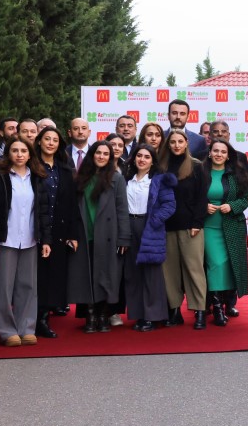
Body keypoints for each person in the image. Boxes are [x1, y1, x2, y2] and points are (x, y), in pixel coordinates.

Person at [0, 137, 52, 346]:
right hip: (5, 240)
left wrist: (46, 240)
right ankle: (7, 331)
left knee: (28, 286)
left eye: (23, 150)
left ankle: (26, 328)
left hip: (30, 240)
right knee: (4, 288)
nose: (19, 154)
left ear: (30, 154)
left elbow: (43, 212)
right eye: (15, 150)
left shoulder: (37, 177)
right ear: (8, 153)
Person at [67, 141, 131, 333]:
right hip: (84, 234)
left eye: (106, 154)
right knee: (86, 276)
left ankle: (103, 314)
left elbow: (122, 209)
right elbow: (71, 209)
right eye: (98, 153)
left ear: (110, 158)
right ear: (92, 154)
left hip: (108, 234)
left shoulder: (117, 179)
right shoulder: (80, 178)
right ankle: (90, 314)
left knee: (106, 276)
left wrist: (124, 238)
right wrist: (70, 234)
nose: (101, 156)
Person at [33, 126, 81, 339]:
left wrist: (72, 233)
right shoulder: (31, 166)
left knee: (53, 276)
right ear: (39, 141)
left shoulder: (65, 170)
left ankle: (43, 318)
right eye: (47, 139)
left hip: (59, 230)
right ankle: (32, 317)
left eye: (55, 140)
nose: (51, 143)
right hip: (35, 230)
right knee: (36, 276)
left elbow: (72, 204)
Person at [162, 128, 210, 329]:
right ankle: (174, 311)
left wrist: (197, 223)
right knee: (170, 272)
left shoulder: (197, 166)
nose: (176, 145)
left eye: (180, 141)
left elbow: (202, 197)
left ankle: (199, 311)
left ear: (186, 143)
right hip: (166, 227)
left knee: (194, 270)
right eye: (172, 142)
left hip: (191, 227)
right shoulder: (162, 167)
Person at [124, 145, 175, 331]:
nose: (142, 159)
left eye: (147, 157)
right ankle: (139, 315)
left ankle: (153, 316)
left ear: (153, 161)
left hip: (150, 227)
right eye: (139, 155)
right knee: (133, 273)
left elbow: (169, 205)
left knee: (152, 273)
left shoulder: (159, 180)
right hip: (129, 226)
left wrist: (154, 220)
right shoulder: (127, 179)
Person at [203, 138, 248, 325]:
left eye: (223, 152)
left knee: (230, 265)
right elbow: (191, 197)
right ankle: (216, 307)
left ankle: (227, 303)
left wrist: (232, 206)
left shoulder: (237, 174)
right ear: (209, 153)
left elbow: (245, 199)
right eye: (215, 151)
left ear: (228, 155)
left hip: (232, 226)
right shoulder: (201, 172)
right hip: (208, 227)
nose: (219, 154)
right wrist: (203, 207)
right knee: (216, 264)